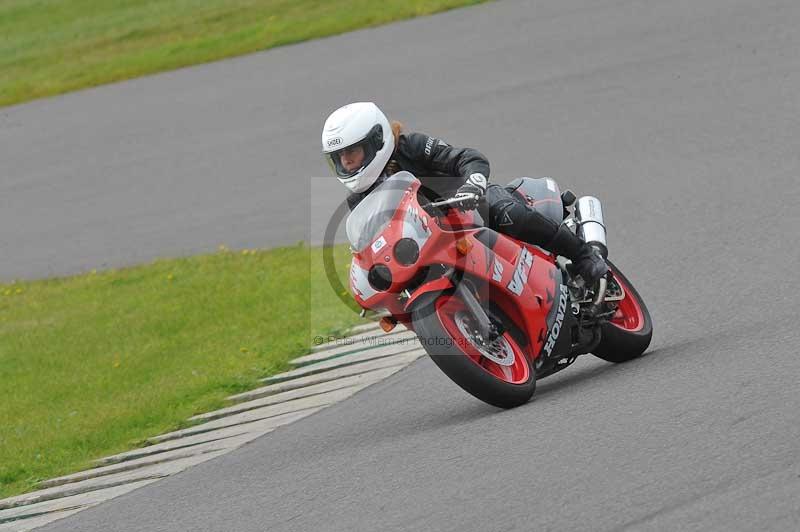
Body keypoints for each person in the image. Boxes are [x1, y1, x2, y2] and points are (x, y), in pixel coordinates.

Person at [321, 102, 608, 285]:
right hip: (432, 243)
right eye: (340, 156)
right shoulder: (359, 199)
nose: (347, 162)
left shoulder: (411, 146)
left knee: (508, 214)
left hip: (471, 205)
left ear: (376, 140)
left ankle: (582, 255)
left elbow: (468, 158)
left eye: (352, 151)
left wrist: (473, 184)